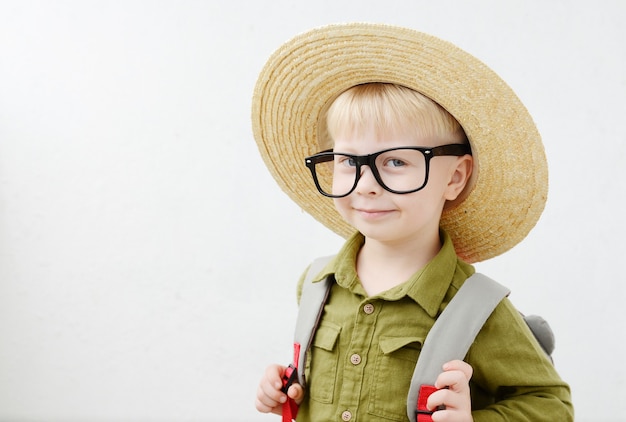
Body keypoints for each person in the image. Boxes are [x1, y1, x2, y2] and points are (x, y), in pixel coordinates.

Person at [251, 23, 573, 422]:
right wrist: (286, 389)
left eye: (396, 161)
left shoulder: (474, 308)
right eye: (348, 161)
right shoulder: (317, 285)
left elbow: (551, 404)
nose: (366, 185)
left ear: (455, 178)